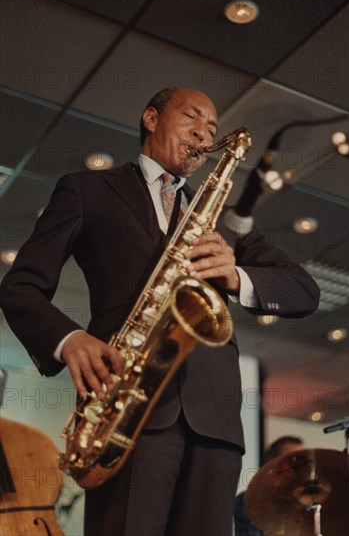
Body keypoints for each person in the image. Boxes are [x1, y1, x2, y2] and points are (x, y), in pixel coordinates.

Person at [0, 87, 320, 536]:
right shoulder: (87, 189)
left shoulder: (222, 220)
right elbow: (20, 287)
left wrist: (236, 276)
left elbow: (305, 291)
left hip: (216, 426)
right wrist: (70, 340)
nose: (203, 134)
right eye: (191, 118)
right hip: (127, 412)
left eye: (211, 128)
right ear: (151, 118)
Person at [234, 436, 305, 536]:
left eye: (303, 462)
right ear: (272, 464)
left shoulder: (307, 502)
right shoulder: (248, 502)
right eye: (292, 460)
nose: (300, 468)